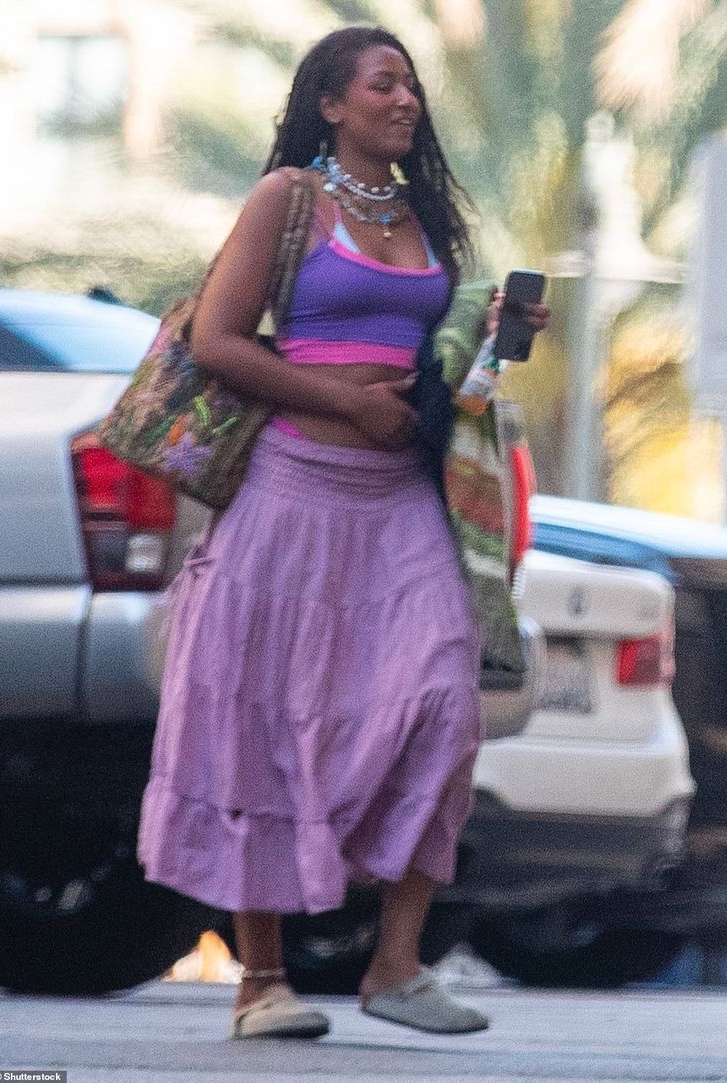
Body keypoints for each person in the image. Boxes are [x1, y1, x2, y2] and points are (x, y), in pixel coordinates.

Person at [137, 25, 548, 1040]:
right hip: (290, 489)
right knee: (263, 718)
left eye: (411, 85)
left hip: (399, 499)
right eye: (384, 83)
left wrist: (495, 345)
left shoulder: (423, 217)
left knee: (443, 702)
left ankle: (395, 967)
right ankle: (259, 981)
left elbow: (438, 376)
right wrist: (343, 400)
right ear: (331, 103)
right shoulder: (287, 201)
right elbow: (219, 342)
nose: (405, 100)